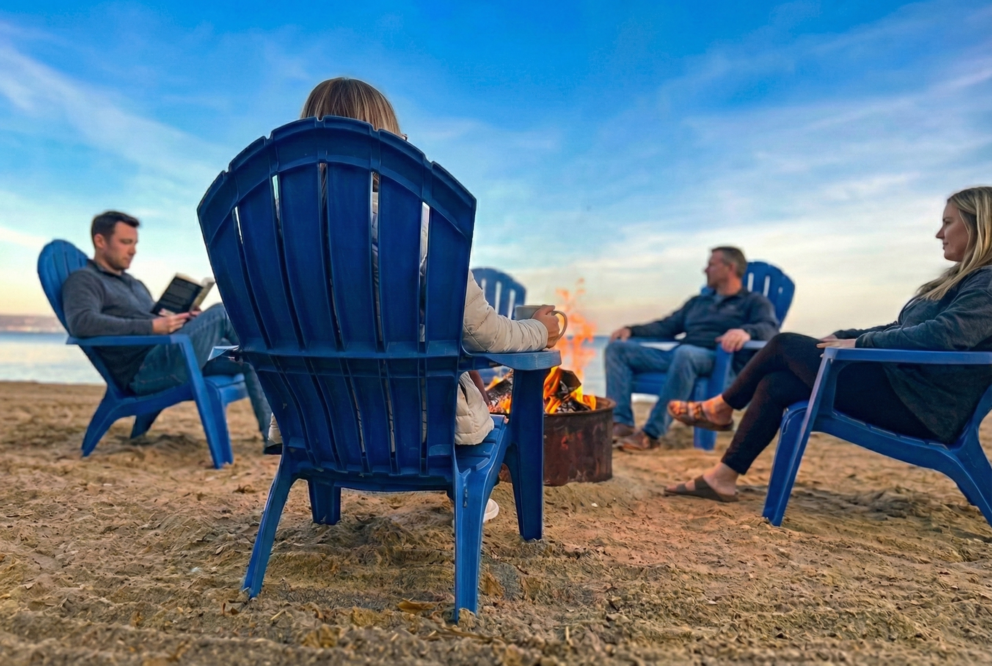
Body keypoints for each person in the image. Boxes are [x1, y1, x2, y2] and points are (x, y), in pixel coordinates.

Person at [265, 77, 562, 521]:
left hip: (316, 426)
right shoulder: (406, 224)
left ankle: (326, 510)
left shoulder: (267, 231)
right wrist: (540, 329)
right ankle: (465, 490)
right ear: (385, 143)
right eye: (399, 136)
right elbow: (481, 332)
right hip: (415, 433)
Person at [666, 186, 992, 503]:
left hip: (921, 406)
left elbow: (945, 335)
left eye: (947, 222)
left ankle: (721, 407)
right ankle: (722, 478)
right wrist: (844, 335)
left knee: (783, 344)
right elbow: (902, 328)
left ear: (979, 223)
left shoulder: (988, 281)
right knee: (777, 383)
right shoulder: (963, 280)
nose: (939, 233)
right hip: (906, 391)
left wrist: (861, 343)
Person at [62, 211, 274, 451]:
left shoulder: (133, 283)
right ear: (100, 241)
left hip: (169, 353)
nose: (133, 250)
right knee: (220, 313)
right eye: (126, 242)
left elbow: (153, 318)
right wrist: (152, 326)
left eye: (135, 243)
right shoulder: (84, 280)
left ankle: (275, 440)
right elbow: (82, 322)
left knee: (247, 354)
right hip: (145, 370)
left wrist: (184, 318)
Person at [605, 247, 779, 451]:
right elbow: (667, 326)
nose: (705, 270)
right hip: (680, 357)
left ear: (730, 268)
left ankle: (651, 434)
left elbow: (770, 328)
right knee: (617, 349)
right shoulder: (698, 302)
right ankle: (622, 423)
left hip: (719, 362)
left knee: (685, 353)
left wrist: (746, 332)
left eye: (711, 265)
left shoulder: (754, 302)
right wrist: (631, 330)